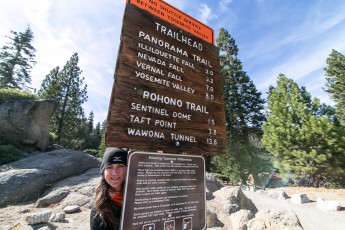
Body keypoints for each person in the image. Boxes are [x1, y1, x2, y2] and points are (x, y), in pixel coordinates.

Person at [90, 147, 128, 230]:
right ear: (103, 172)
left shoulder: (139, 199)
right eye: (109, 167)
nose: (115, 172)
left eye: (120, 166)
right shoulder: (99, 207)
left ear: (128, 169)